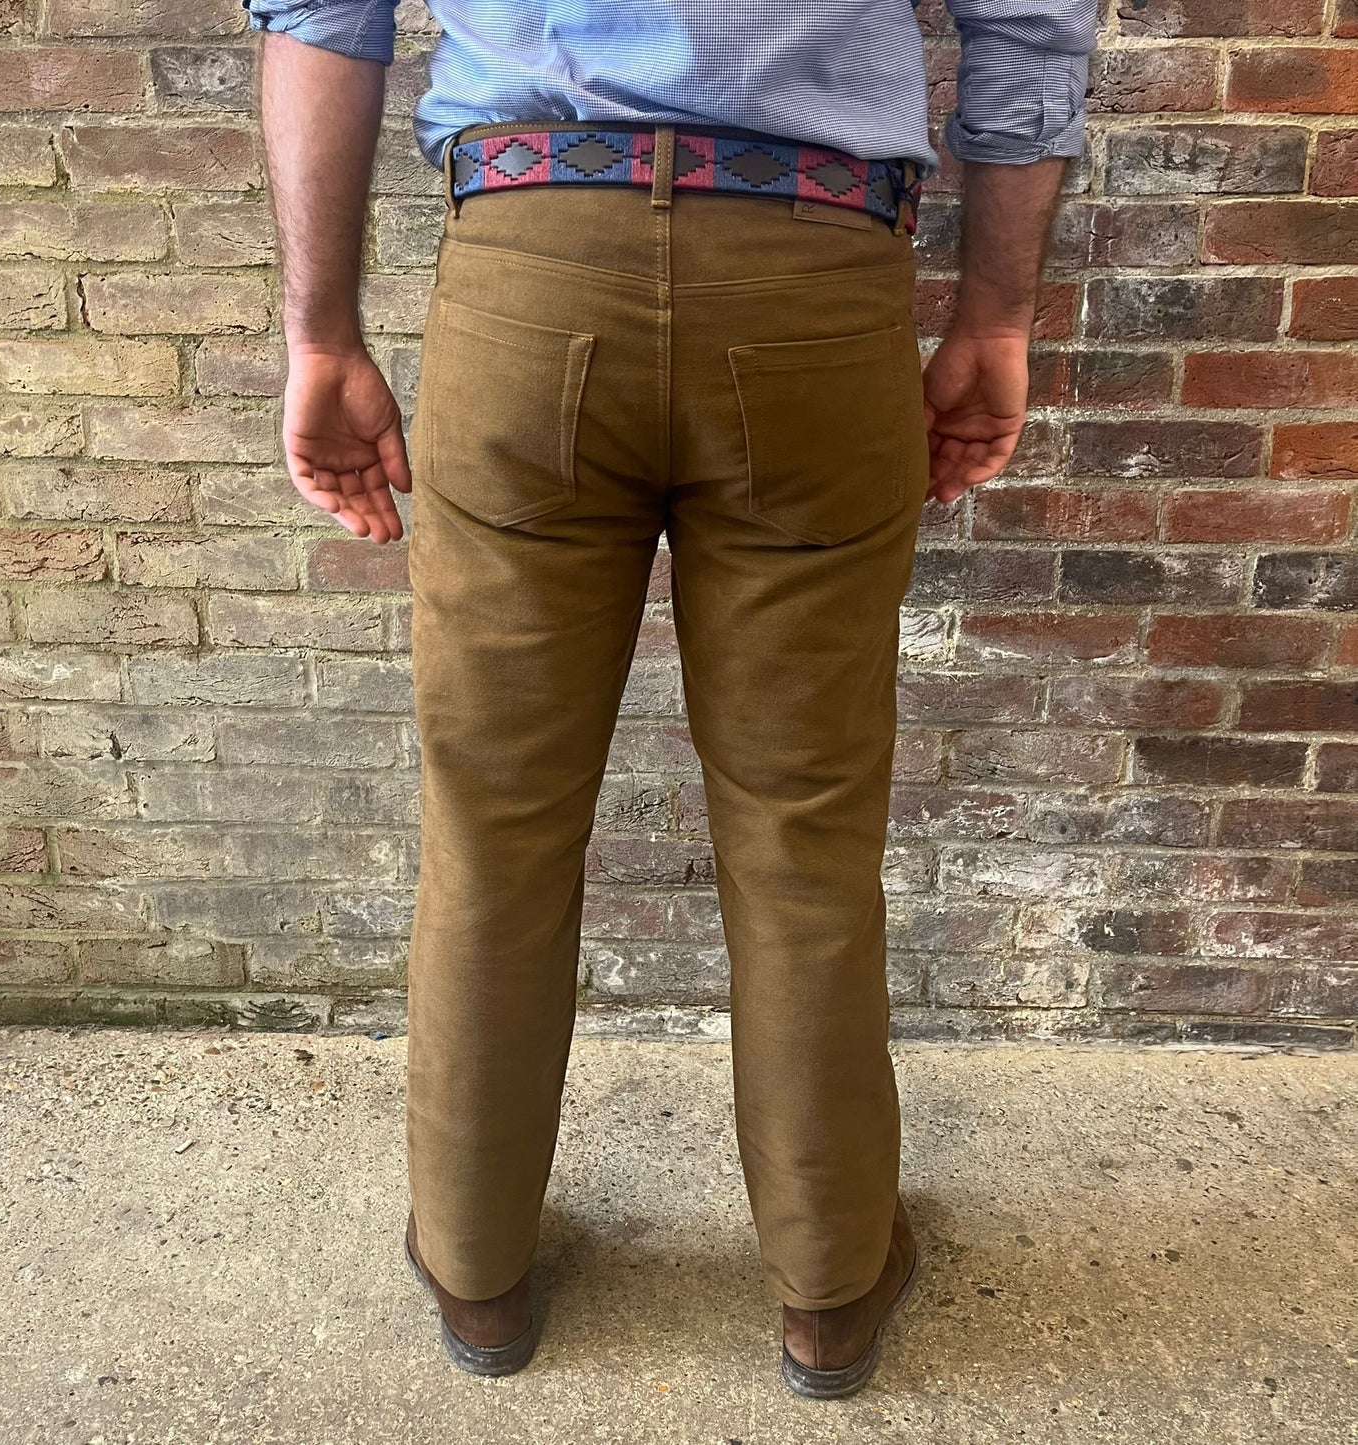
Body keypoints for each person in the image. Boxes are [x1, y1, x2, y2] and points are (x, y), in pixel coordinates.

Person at [243, 0, 1098, 1398]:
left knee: (496, 821)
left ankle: (477, 1267)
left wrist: (319, 333)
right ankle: (826, 1286)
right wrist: (994, 313)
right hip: (813, 275)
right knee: (803, 833)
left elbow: (325, 17)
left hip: (529, 256)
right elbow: (1029, 24)